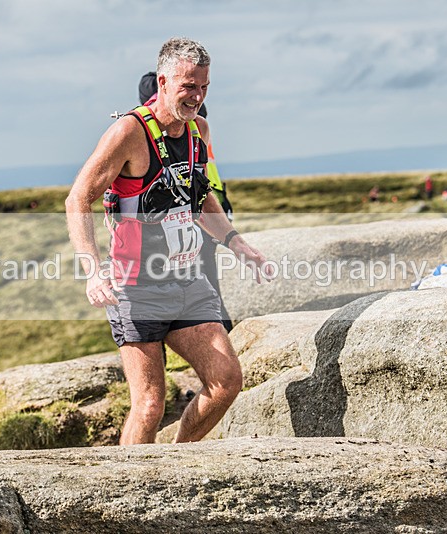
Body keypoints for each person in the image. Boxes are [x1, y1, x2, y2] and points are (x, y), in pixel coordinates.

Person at [66, 37, 270, 445]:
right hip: (136, 286)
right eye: (188, 86)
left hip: (188, 280)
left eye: (204, 87)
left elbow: (199, 195)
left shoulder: (199, 130)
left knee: (225, 381)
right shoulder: (129, 132)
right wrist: (92, 270)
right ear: (163, 81)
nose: (197, 96)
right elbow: (78, 198)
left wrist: (235, 241)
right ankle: (124, 493)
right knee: (149, 405)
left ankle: (177, 459)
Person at [138, 71, 234, 333]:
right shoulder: (155, 129)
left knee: (202, 284)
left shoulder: (192, 125)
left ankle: (218, 337)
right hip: (208, 210)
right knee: (202, 284)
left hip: (198, 216)